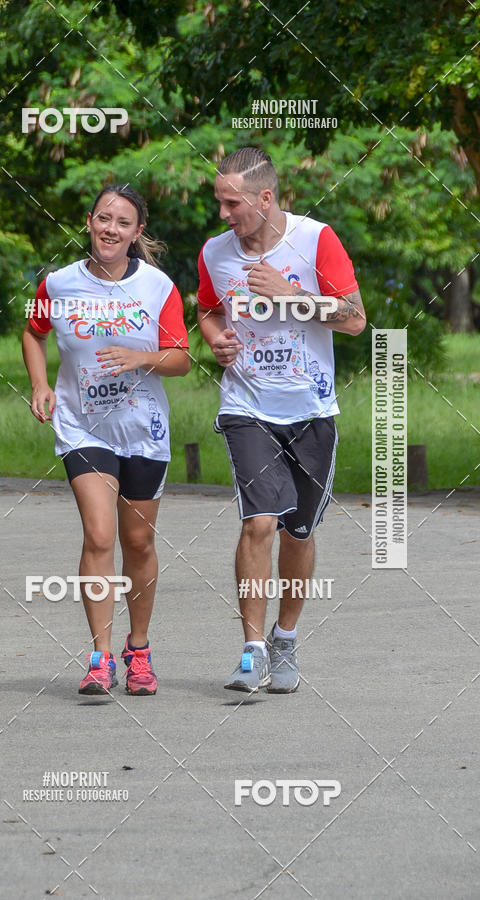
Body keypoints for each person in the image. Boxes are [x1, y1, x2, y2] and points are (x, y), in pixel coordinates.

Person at [197, 147, 366, 693]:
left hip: (311, 410)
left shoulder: (316, 240)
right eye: (219, 202)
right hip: (247, 407)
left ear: (264, 198)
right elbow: (207, 308)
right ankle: (251, 651)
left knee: (299, 531)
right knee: (259, 522)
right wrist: (216, 339)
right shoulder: (215, 252)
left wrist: (293, 296)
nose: (223, 214)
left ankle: (285, 638)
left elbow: (355, 319)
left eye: (232, 204)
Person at [23, 184, 190, 696]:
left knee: (137, 542)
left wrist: (142, 358)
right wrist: (40, 384)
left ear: (137, 232)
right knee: (99, 535)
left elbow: (181, 359)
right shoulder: (58, 283)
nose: (110, 230)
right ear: (89, 222)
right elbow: (33, 332)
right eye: (103, 219)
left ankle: (139, 651)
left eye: (122, 223)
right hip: (82, 426)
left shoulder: (157, 287)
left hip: (143, 430)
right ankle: (100, 657)